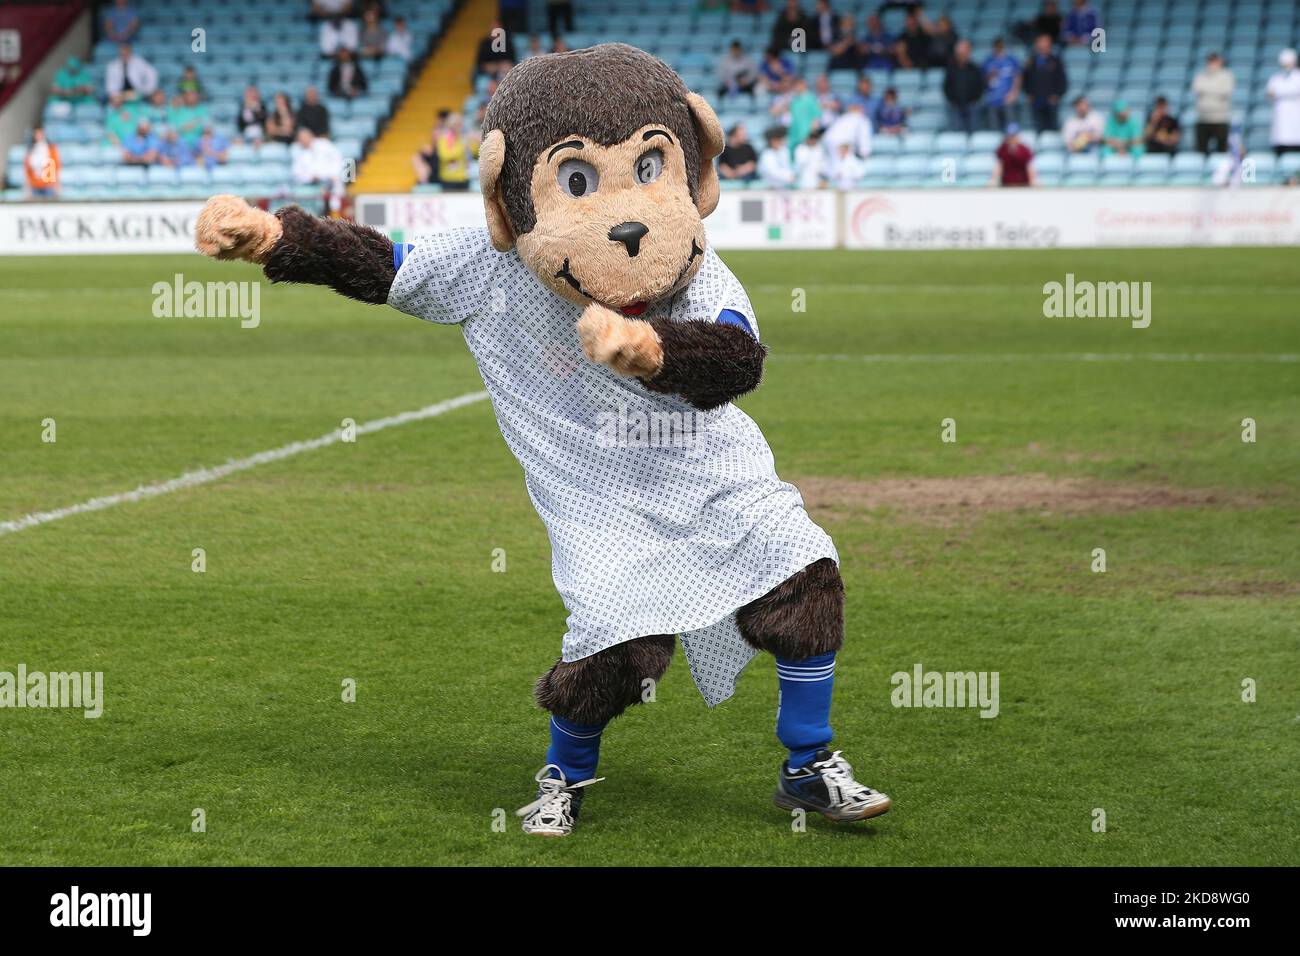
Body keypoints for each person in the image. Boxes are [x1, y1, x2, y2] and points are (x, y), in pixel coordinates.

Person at [291, 126, 345, 210]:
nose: (304, 140)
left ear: (311, 135)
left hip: (331, 179)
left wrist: (332, 174)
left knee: (336, 187)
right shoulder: (298, 152)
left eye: (305, 136)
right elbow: (296, 174)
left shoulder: (324, 144)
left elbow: (337, 159)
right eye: (301, 138)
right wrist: (310, 177)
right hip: (312, 184)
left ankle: (336, 211)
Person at [1022, 33, 1067, 132]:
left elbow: (1062, 80)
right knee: (1038, 126)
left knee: (1053, 126)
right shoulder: (1031, 61)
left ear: (1049, 44)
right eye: (1040, 42)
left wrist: (1057, 95)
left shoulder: (1056, 61)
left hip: (1051, 100)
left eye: (1045, 42)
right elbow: (1025, 79)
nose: (1043, 45)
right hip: (1036, 99)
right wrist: (1028, 94)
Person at [1191, 53, 1234, 155]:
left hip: (1220, 119)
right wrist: (1216, 91)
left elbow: (1226, 91)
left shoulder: (1227, 76)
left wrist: (1206, 91)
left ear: (1220, 62)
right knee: (1200, 152)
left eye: (1214, 61)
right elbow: (1195, 89)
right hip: (1203, 118)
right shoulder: (1200, 76)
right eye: (1210, 61)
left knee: (1222, 151)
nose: (1212, 64)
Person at [944, 39, 983, 133]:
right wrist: (951, 100)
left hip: (972, 105)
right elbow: (946, 86)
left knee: (974, 132)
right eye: (959, 53)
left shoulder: (975, 68)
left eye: (963, 53)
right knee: (956, 133)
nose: (961, 55)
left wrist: (975, 99)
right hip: (955, 105)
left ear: (968, 52)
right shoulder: (951, 69)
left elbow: (980, 85)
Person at [1266, 48, 1300, 157]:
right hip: (1280, 124)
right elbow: (1269, 93)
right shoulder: (1276, 77)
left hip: (1295, 124)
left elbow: (1293, 90)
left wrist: (1279, 92)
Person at [982, 38, 1021, 131]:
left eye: (1001, 47)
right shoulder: (988, 61)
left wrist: (1014, 93)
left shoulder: (1011, 60)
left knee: (1011, 127)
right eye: (997, 47)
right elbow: (983, 80)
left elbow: (1018, 76)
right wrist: (990, 75)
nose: (999, 49)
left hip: (1008, 99)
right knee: (994, 128)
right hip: (993, 99)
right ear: (994, 48)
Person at [433, 112, 474, 190]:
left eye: (460, 124)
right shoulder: (444, 138)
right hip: (449, 179)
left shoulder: (463, 137)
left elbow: (473, 152)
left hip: (464, 178)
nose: (459, 127)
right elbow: (444, 155)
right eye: (457, 124)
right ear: (450, 125)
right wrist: (462, 148)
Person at [23, 126, 61, 198]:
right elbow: (27, 169)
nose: (39, 136)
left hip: (48, 185)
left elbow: (56, 166)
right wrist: (27, 186)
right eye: (37, 134)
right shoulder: (31, 150)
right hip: (34, 185)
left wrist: (57, 184)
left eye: (40, 133)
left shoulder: (51, 148)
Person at [413, 112, 447, 184]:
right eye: (435, 134)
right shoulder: (429, 150)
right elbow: (416, 159)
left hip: (444, 178)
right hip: (432, 178)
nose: (436, 136)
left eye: (439, 134)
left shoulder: (449, 148)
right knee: (417, 158)